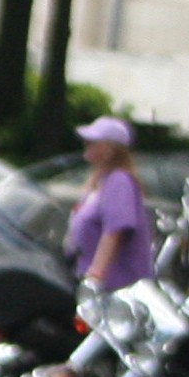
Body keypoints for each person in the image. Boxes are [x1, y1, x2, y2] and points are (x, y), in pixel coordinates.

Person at [68, 116, 157, 290]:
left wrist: (96, 274)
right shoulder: (99, 181)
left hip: (113, 286)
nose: (86, 144)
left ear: (110, 149)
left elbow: (115, 230)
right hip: (85, 276)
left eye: (93, 141)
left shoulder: (119, 181)